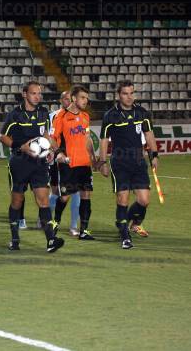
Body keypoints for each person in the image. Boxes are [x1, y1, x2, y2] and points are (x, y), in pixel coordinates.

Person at [0, 81, 64, 253]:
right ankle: (14, 239)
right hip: (19, 162)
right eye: (34, 93)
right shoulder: (15, 114)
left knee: (43, 199)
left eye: (39, 93)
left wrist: (51, 150)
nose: (38, 96)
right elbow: (3, 137)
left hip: (39, 163)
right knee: (17, 201)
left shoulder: (43, 113)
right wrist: (21, 147)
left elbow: (45, 135)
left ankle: (51, 240)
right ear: (25, 94)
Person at [98, 80, 158, 249]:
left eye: (131, 93)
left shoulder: (142, 113)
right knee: (122, 199)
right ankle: (125, 236)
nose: (129, 97)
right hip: (119, 163)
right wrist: (102, 161)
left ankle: (130, 223)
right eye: (125, 93)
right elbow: (103, 140)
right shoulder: (110, 115)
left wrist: (154, 155)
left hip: (138, 162)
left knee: (144, 200)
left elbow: (149, 135)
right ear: (119, 95)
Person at [50, 85, 95, 240]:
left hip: (84, 163)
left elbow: (87, 138)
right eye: (83, 98)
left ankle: (83, 231)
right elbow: (52, 138)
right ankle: (55, 222)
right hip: (68, 163)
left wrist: (94, 159)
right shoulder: (61, 116)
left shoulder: (85, 117)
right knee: (65, 197)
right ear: (74, 98)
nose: (85, 101)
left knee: (86, 195)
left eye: (87, 98)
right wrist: (59, 153)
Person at [43, 91, 81, 235]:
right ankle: (46, 218)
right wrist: (52, 152)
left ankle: (73, 226)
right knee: (57, 192)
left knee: (76, 191)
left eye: (70, 99)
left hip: (75, 160)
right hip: (57, 159)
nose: (68, 101)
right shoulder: (53, 116)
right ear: (60, 100)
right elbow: (48, 135)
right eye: (65, 99)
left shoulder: (80, 116)